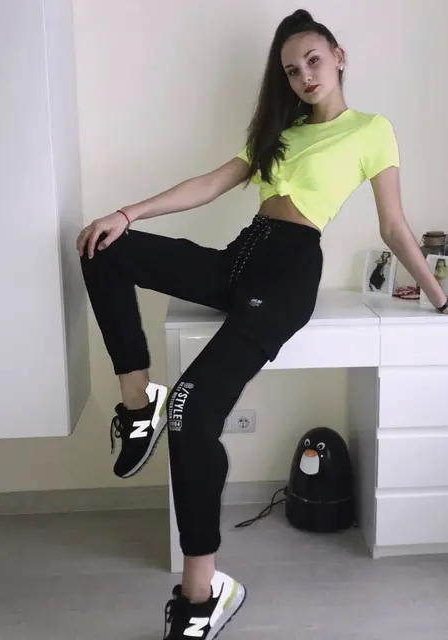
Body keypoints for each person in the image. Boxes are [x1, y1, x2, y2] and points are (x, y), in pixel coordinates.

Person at [76, 9, 448, 639]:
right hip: (239, 261)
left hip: (287, 276)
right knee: (101, 247)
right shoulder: (282, 133)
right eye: (292, 70)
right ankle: (138, 404)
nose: (305, 75)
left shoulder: (371, 130)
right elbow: (210, 184)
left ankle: (203, 593)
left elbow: (393, 224)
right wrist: (127, 213)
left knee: (192, 411)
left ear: (338, 56)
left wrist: (440, 298)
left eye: (313, 60)